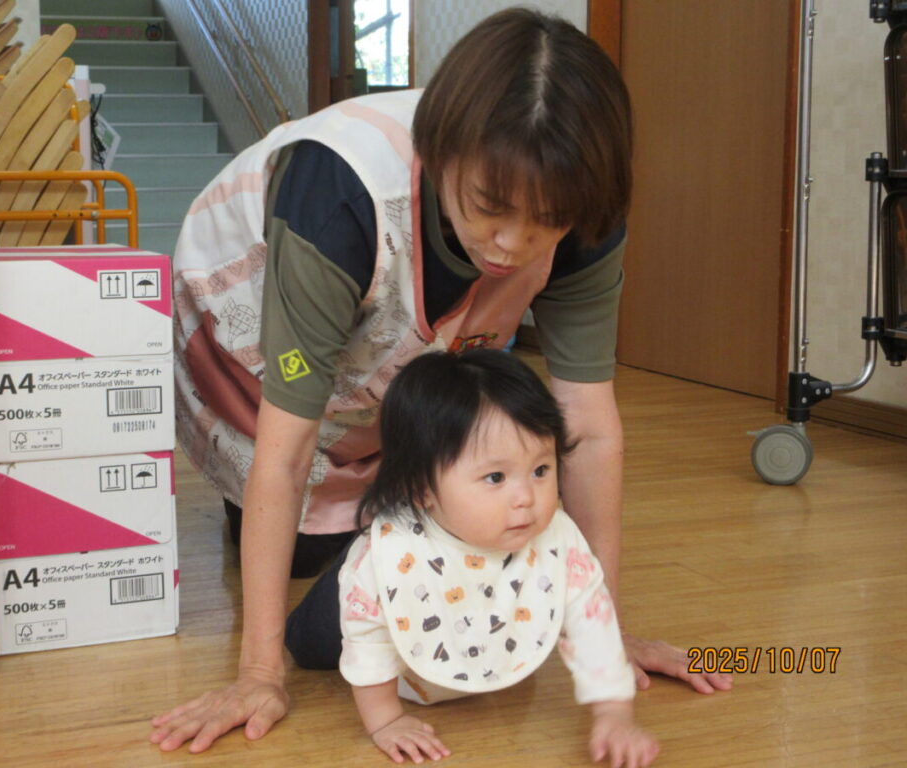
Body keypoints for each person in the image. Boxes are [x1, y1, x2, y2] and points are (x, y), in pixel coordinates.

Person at [152, 7, 731, 755]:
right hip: (251, 351)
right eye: (491, 208)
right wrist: (260, 673)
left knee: (454, 529)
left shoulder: (586, 212)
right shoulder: (339, 193)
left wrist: (605, 638)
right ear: (441, 149)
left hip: (395, 377)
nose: (512, 245)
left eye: (546, 222)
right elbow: (286, 448)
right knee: (305, 546)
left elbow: (586, 425)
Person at [285, 349, 659, 767]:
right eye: (496, 477)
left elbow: (593, 621)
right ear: (420, 488)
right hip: (357, 600)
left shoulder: (557, 539)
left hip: (451, 635)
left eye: (540, 470)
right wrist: (385, 720)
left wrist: (613, 714)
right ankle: (329, 583)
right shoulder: (387, 558)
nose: (526, 498)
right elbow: (367, 637)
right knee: (307, 646)